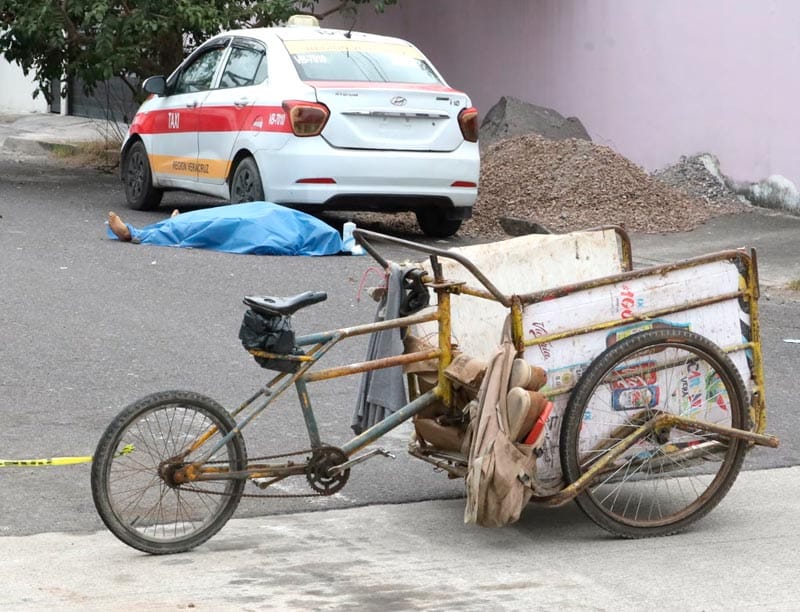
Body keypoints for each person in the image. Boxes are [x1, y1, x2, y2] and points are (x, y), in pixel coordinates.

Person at [105, 201, 346, 256]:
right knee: (216, 218)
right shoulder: (323, 234)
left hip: (263, 222)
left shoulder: (323, 237)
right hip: (267, 215)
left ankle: (137, 233)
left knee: (218, 225)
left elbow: (270, 241)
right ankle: (172, 224)